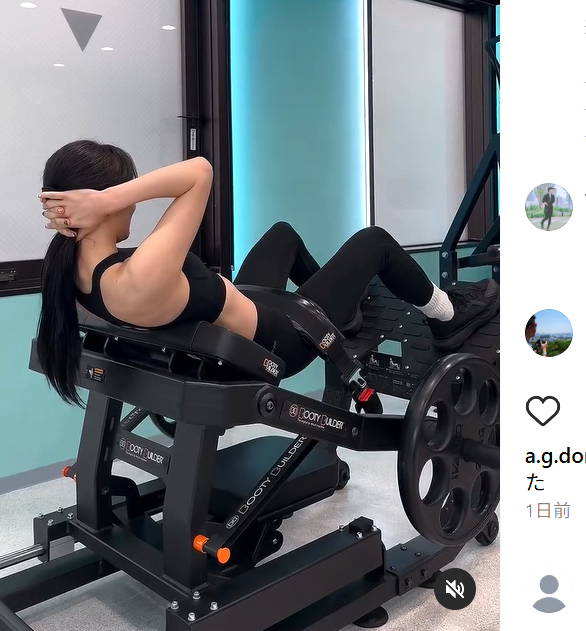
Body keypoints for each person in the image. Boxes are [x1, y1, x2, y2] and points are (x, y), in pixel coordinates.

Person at [39, 140, 500, 406]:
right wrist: (108, 198)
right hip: (278, 340)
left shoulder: (73, 269)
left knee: (282, 234)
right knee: (374, 241)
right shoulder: (137, 278)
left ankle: (344, 315)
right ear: (100, 202)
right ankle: (447, 315)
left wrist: (97, 203)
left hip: (241, 311)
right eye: (124, 194)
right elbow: (199, 172)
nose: (133, 203)